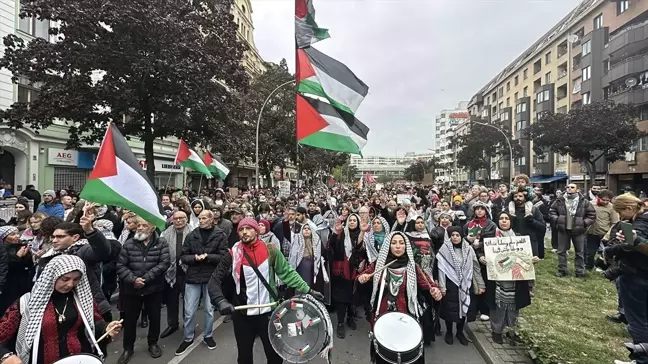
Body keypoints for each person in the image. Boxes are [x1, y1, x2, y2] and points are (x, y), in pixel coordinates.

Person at [208, 217, 323, 364]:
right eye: (241, 229)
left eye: (248, 228)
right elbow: (214, 281)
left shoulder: (271, 250)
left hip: (269, 315)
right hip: (243, 315)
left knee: (275, 357)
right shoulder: (233, 254)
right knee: (244, 358)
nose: (244, 232)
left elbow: (287, 273)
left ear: (256, 231)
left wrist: (308, 290)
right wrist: (220, 301)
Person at [0, 255, 122, 364]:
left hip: (80, 359)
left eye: (76, 279)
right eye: (65, 279)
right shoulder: (27, 303)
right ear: (52, 276)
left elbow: (92, 325)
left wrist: (106, 328)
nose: (70, 284)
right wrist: (6, 356)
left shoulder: (81, 299)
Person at [357, 231, 442, 364]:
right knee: (385, 353)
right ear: (388, 246)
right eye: (394, 243)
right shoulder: (378, 265)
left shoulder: (413, 267)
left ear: (406, 247)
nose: (398, 246)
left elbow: (429, 285)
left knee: (406, 352)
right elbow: (362, 277)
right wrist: (362, 279)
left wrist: (436, 292)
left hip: (406, 316)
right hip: (383, 316)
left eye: (401, 243)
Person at [116, 217, 170, 364]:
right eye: (138, 225)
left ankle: (153, 343)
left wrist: (145, 279)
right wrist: (133, 280)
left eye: (144, 225)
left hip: (153, 289)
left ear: (152, 229)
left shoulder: (161, 243)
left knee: (154, 318)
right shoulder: (129, 244)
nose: (139, 228)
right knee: (130, 320)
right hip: (132, 290)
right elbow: (120, 265)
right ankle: (128, 348)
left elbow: (164, 263)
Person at [175, 210, 227, 355]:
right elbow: (183, 256)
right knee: (189, 310)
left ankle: (208, 336)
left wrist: (208, 256)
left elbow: (223, 256)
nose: (201, 220)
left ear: (212, 220)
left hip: (211, 277)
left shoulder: (220, 235)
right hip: (193, 276)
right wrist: (194, 258)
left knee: (209, 310)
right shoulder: (192, 235)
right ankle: (187, 338)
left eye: (204, 218)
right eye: (200, 218)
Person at [436, 226, 486, 346]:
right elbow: (441, 269)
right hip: (450, 283)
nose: (455, 237)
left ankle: (459, 332)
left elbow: (475, 267)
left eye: (457, 235)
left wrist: (480, 284)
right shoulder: (444, 249)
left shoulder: (468, 249)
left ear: (461, 236)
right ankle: (449, 332)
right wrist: (442, 287)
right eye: (452, 235)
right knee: (450, 309)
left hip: (466, 283)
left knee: (464, 309)